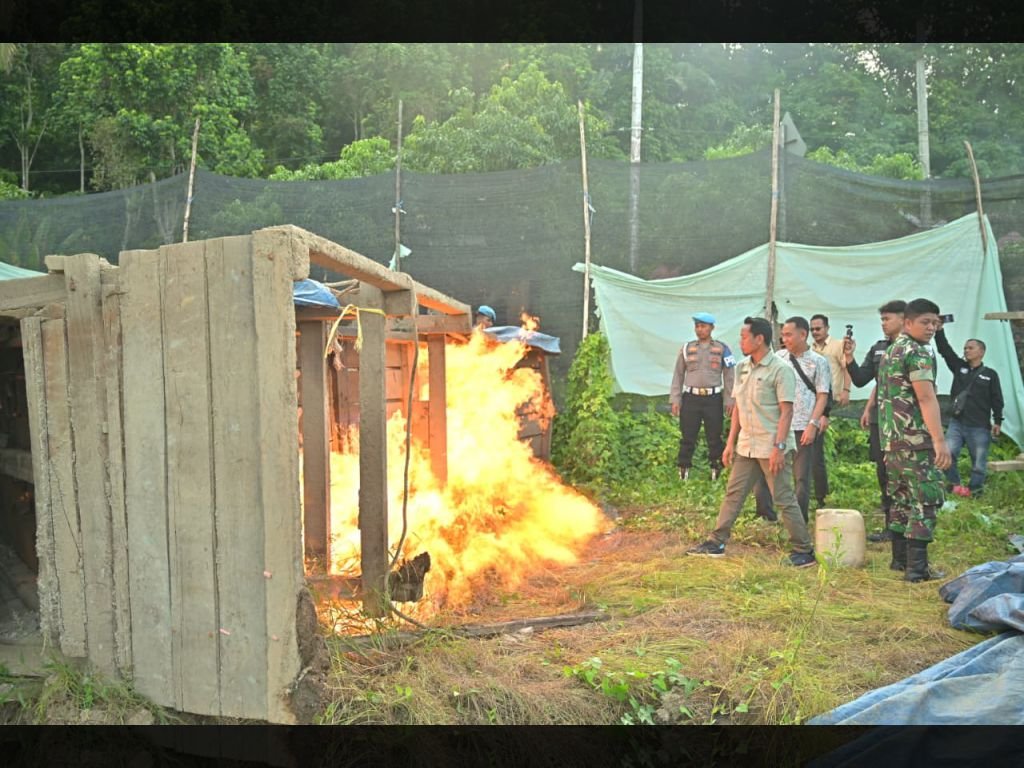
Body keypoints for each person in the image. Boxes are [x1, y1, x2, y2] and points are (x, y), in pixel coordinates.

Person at [687, 317, 816, 567]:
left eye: (744, 337)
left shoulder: (780, 369)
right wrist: (730, 443)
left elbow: (787, 411)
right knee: (734, 493)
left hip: (771, 446)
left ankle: (804, 549)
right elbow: (738, 407)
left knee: (783, 498)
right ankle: (716, 541)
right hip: (747, 445)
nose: (741, 341)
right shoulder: (742, 367)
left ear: (759, 339)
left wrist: (779, 447)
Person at [877, 298, 952, 582]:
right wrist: (939, 440)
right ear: (908, 323)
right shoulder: (917, 352)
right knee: (924, 500)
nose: (931, 327)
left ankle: (900, 560)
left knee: (901, 500)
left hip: (892, 442)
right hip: (916, 441)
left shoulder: (891, 350)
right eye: (925, 322)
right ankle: (917, 569)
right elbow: (926, 397)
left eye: (935, 322)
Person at [751, 317, 831, 523]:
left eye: (788, 335)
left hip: (802, 425)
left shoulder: (819, 362)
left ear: (803, 335)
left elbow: (822, 395)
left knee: (801, 476)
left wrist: (813, 424)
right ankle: (765, 515)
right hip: (776, 425)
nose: (784, 339)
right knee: (766, 471)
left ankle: (798, 520)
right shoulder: (777, 358)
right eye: (783, 335)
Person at [843, 300, 906, 544]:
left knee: (904, 473)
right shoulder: (879, 349)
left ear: (903, 319)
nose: (883, 324)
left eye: (887, 319)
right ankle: (891, 526)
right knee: (884, 472)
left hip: (904, 422)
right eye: (882, 319)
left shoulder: (913, 349)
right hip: (881, 421)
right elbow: (861, 379)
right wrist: (849, 358)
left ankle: (909, 525)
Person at [933, 326, 1004, 497]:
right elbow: (945, 351)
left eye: (971, 348)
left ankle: (975, 491)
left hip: (979, 425)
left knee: (979, 462)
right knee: (948, 454)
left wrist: (998, 421)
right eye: (965, 348)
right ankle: (954, 485)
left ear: (981, 352)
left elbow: (997, 399)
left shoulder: (990, 374)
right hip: (957, 423)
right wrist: (939, 330)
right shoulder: (959, 367)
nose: (966, 350)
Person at [669, 311, 736, 481]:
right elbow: (678, 374)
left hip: (713, 398)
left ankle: (716, 469)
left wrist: (730, 399)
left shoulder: (722, 349)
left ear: (712, 328)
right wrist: (675, 398)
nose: (700, 329)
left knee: (714, 436)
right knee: (688, 435)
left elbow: (729, 375)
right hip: (691, 397)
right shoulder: (687, 348)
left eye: (703, 326)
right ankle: (683, 469)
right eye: (697, 326)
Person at [809, 314, 851, 507]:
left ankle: (822, 495)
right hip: (813, 400)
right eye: (812, 329)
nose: (815, 332)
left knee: (817, 453)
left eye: (818, 328)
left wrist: (846, 390)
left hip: (831, 399)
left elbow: (846, 368)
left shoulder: (837, 346)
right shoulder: (809, 349)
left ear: (827, 328)